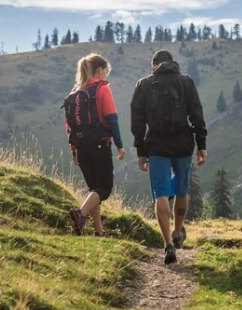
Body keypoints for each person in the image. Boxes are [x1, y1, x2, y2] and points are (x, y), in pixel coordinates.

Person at [130, 50, 208, 264]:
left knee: (161, 194)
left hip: (156, 146)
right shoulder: (186, 82)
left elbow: (137, 122)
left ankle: (167, 245)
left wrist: (141, 151)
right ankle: (176, 230)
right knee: (181, 190)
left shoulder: (144, 84)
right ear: (172, 63)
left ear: (153, 64)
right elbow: (196, 114)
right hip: (183, 144)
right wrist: (201, 145)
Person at [63, 53, 126, 237]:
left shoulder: (74, 93)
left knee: (94, 190)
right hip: (99, 146)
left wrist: (74, 151)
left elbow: (69, 126)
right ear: (99, 70)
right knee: (104, 190)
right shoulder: (102, 89)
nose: (106, 75)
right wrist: (119, 145)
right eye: (106, 71)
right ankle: (79, 214)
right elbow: (112, 119)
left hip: (82, 149)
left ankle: (99, 231)